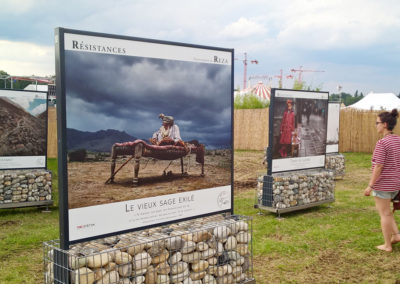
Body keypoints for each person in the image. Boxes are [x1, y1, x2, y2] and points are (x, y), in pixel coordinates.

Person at [364, 109, 400, 252]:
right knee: (387, 212)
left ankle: (387, 245)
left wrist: (370, 186)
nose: (375, 125)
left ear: (385, 124)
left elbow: (378, 166)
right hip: (397, 184)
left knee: (384, 213)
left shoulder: (382, 143)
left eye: (377, 123)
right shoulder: (398, 140)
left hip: (384, 184)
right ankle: (396, 235)